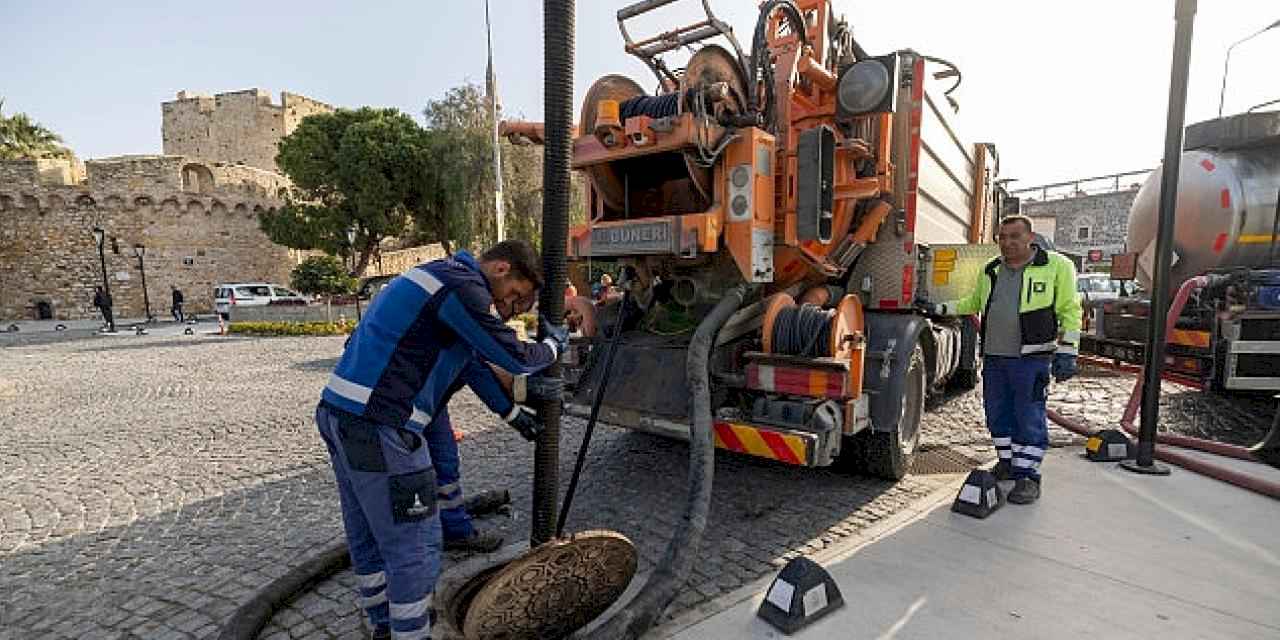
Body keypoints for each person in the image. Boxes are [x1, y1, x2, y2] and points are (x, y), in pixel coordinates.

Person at [316, 240, 567, 640]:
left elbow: (472, 364)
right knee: (415, 544)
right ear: (501, 268)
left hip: (341, 415)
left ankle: (383, 624)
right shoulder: (462, 286)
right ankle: (410, 633)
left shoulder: (439, 277)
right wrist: (553, 346)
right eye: (514, 295)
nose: (507, 308)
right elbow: (515, 357)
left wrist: (512, 414)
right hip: (382, 425)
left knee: (368, 533)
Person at [923, 215, 1081, 504]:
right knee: (997, 413)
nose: (1007, 243)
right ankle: (1007, 463)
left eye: (1014, 237)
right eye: (1002, 237)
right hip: (995, 358)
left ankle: (1027, 477)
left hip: (1031, 358)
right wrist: (938, 307)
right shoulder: (992, 269)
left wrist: (1068, 350)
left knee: (1028, 416)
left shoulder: (1056, 266)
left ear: (1030, 238)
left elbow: (1070, 309)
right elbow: (973, 302)